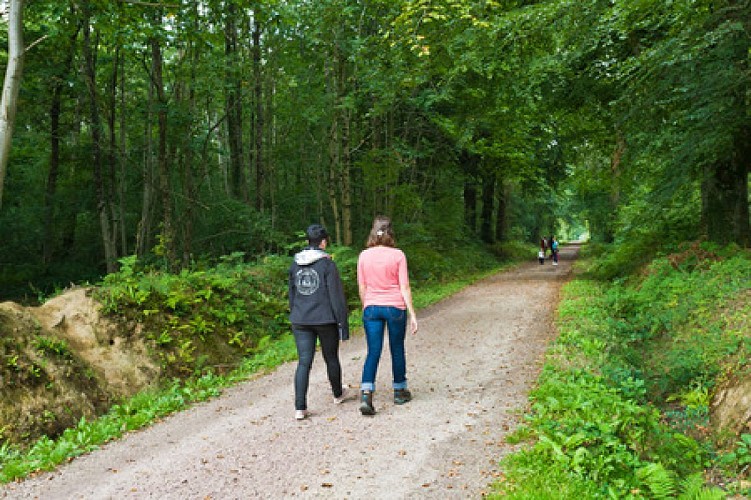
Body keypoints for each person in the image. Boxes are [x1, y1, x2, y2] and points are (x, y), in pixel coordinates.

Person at [356, 216, 418, 416]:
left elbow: (362, 286)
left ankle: (366, 394)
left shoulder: (363, 256)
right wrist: (412, 314)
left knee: (373, 351)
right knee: (397, 348)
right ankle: (399, 391)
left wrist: (366, 306)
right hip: (394, 307)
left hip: (372, 307)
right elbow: (404, 286)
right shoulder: (398, 255)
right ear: (391, 233)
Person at [288, 224, 350, 420]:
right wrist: (343, 324)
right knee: (330, 357)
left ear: (307, 241)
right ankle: (338, 394)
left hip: (300, 319)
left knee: (304, 362)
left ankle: (300, 407)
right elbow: (336, 296)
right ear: (323, 242)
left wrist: (295, 313)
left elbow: (292, 294)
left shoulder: (295, 263)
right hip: (324, 319)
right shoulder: (327, 264)